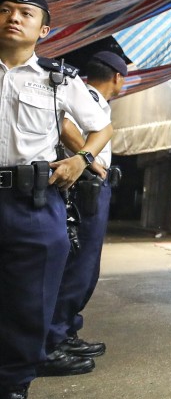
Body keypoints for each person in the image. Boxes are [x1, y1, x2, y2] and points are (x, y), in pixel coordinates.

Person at [0, 0, 112, 399]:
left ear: (43, 30)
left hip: (33, 203)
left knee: (30, 304)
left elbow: (101, 126)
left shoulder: (56, 79)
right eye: (5, 10)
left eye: (26, 13)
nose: (13, 18)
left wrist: (81, 159)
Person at [44, 50, 128, 371]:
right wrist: (87, 160)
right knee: (78, 263)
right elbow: (62, 123)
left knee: (86, 265)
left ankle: (65, 330)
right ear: (117, 77)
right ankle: (54, 337)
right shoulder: (83, 93)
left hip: (92, 185)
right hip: (82, 186)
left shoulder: (95, 100)